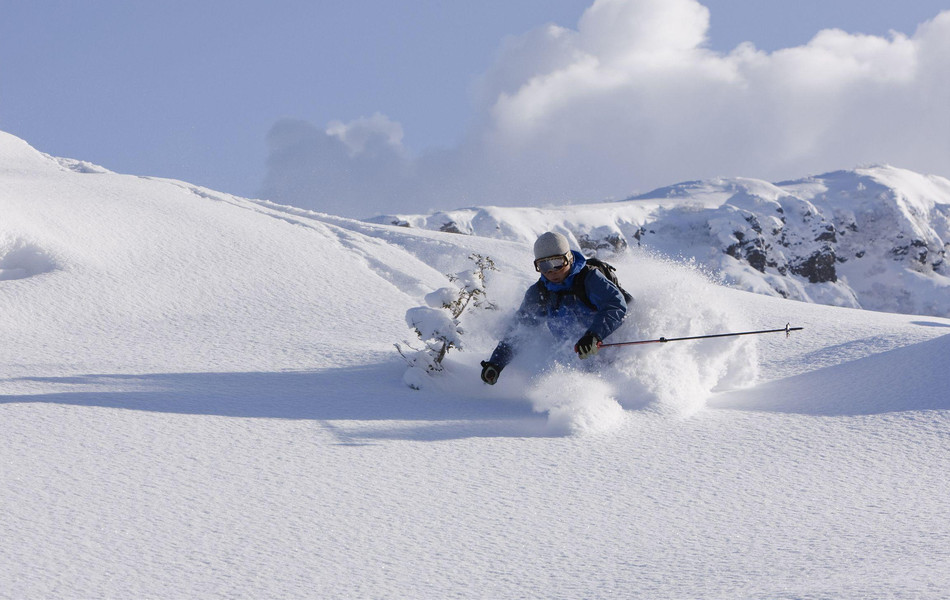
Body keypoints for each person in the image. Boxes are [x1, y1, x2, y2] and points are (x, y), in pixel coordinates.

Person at [480, 231, 628, 385]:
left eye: (557, 262)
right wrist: (496, 363)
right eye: (543, 265)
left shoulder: (590, 279)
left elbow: (615, 305)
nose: (551, 271)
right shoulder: (539, 293)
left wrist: (594, 335)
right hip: (577, 361)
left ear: (569, 258)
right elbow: (519, 330)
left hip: (611, 350)